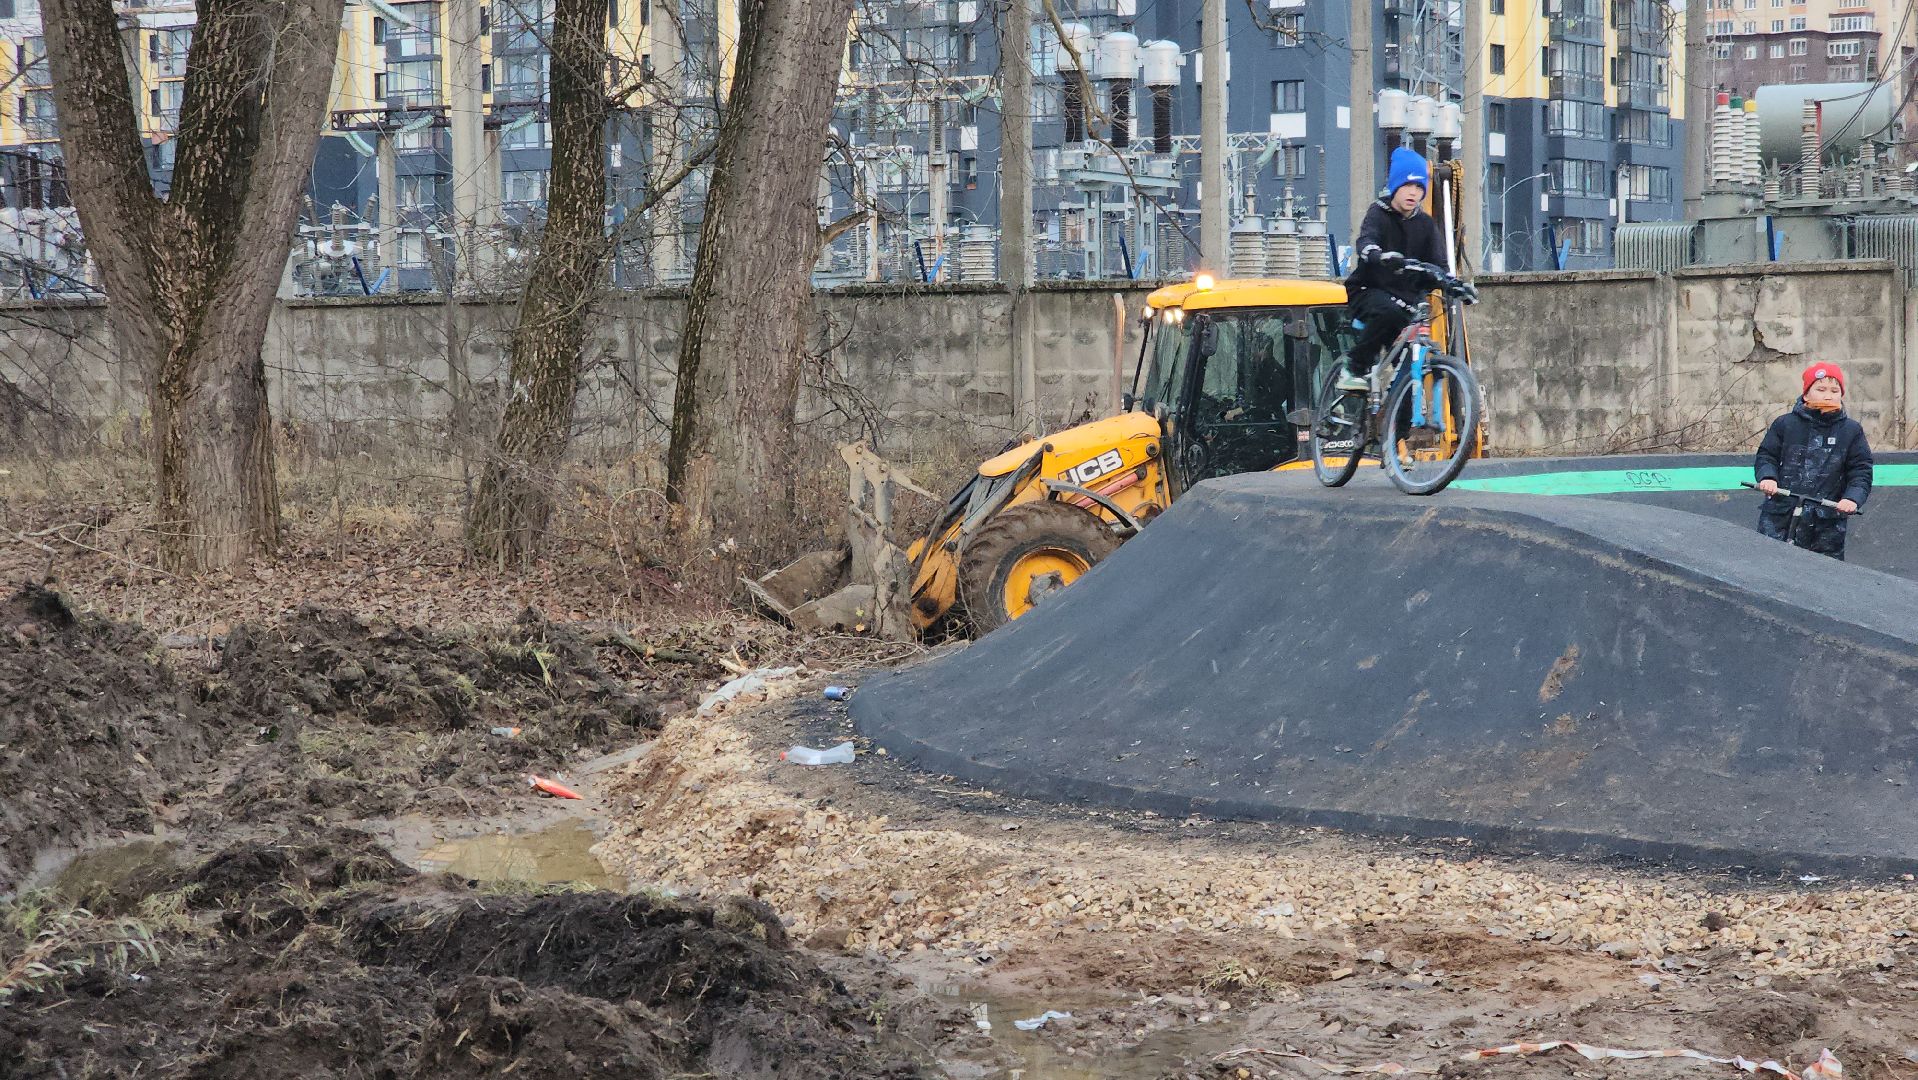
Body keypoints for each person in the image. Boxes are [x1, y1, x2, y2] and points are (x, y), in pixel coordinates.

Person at [1336, 147, 1448, 393]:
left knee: (1410, 367)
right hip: (1369, 290)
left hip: (1406, 302)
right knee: (1389, 313)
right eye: (1408, 185)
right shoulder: (1378, 213)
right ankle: (1354, 368)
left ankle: (1398, 422)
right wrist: (1378, 255)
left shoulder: (1425, 225)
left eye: (1419, 188)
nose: (1414, 193)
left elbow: (1440, 266)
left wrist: (1451, 283)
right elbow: (1366, 241)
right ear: (1395, 186)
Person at [1753, 362, 1873, 560]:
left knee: (1825, 576)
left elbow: (1861, 471)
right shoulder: (1785, 424)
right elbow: (1767, 456)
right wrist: (1768, 478)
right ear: (1806, 394)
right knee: (1769, 565)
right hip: (1781, 514)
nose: (1828, 395)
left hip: (1826, 522)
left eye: (1835, 390)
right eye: (1821, 389)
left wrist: (1851, 499)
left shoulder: (1851, 431)